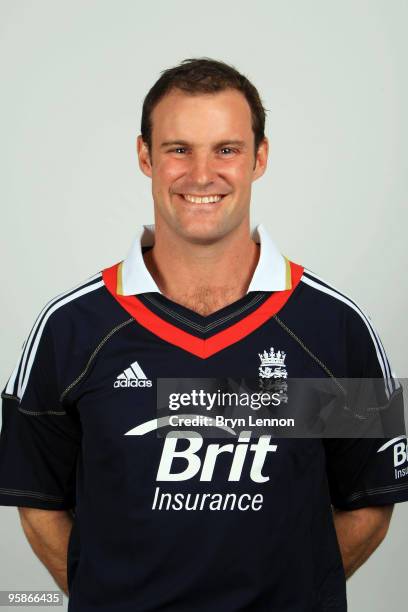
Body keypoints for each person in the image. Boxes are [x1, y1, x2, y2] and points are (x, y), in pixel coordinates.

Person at [0, 57, 407, 612]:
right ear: (145, 155)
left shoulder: (333, 327)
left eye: (226, 149)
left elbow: (369, 501)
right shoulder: (71, 328)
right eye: (178, 149)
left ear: (259, 158)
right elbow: (39, 501)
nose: (201, 175)